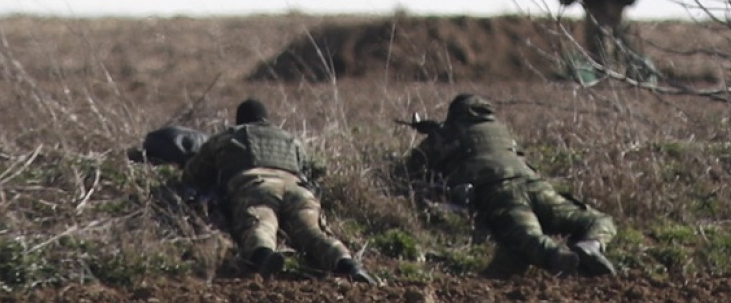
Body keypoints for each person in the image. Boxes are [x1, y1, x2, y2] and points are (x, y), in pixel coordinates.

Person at [403, 94, 618, 278]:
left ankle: (556, 257)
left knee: (524, 234)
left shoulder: (446, 134)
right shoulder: (501, 131)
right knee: (597, 220)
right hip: (536, 185)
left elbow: (407, 170)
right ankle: (591, 245)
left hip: (500, 191)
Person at [181, 99, 378, 284]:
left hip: (256, 185)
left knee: (260, 225)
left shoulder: (229, 136)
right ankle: (347, 265)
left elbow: (193, 173)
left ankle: (264, 258)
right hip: (297, 189)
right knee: (314, 233)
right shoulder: (290, 139)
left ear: (240, 119)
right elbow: (309, 169)